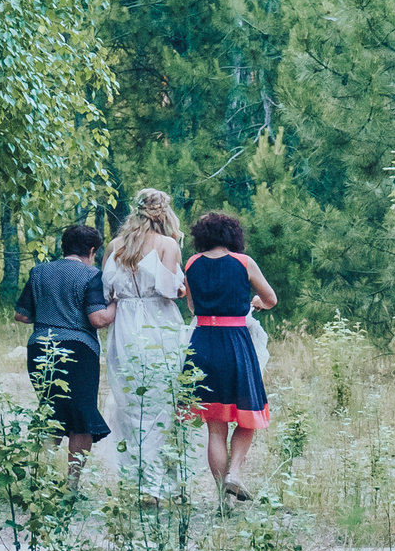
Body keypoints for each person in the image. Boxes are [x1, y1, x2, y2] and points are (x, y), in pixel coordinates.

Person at [180, 210, 278, 501]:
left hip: (202, 343)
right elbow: (270, 299)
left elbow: (193, 308)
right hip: (235, 343)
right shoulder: (244, 263)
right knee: (248, 417)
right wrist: (255, 303)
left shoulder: (192, 264)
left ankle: (222, 497)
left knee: (215, 428)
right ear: (232, 235)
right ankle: (234, 474)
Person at [98, 188, 189, 500]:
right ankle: (159, 483)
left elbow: (106, 292)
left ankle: (139, 480)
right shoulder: (167, 244)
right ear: (163, 213)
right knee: (162, 400)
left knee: (130, 402)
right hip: (158, 323)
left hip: (124, 325)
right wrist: (180, 288)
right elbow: (167, 290)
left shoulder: (114, 245)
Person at [11, 224, 118, 483]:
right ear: (92, 250)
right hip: (77, 352)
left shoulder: (39, 272)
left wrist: (49, 313)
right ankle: (72, 482)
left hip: (40, 348)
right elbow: (98, 318)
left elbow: (21, 315)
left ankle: (40, 477)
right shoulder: (91, 275)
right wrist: (116, 303)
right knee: (82, 415)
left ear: (64, 246)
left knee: (51, 410)